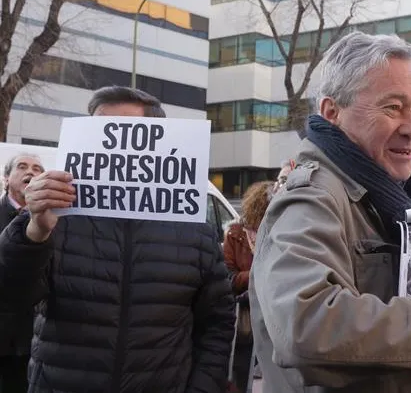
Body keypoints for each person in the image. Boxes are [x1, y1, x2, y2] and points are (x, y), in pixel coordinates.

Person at [249, 31, 411, 393]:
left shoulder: (389, 195)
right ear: (332, 113)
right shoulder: (312, 197)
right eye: (392, 108)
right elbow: (305, 325)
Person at [0, 86, 235, 392]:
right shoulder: (56, 217)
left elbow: (217, 324)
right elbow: (9, 299)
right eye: (99, 131)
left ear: (157, 144)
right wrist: (34, 232)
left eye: (125, 132)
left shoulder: (194, 232)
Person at [224, 181, 274, 393]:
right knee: (240, 369)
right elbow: (229, 279)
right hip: (243, 320)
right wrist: (257, 274)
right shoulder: (236, 235)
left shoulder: (281, 234)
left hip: (272, 320)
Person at [0, 152, 44, 392]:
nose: (31, 172)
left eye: (38, 169)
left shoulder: (55, 221)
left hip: (34, 339)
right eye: (23, 167)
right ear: (6, 179)